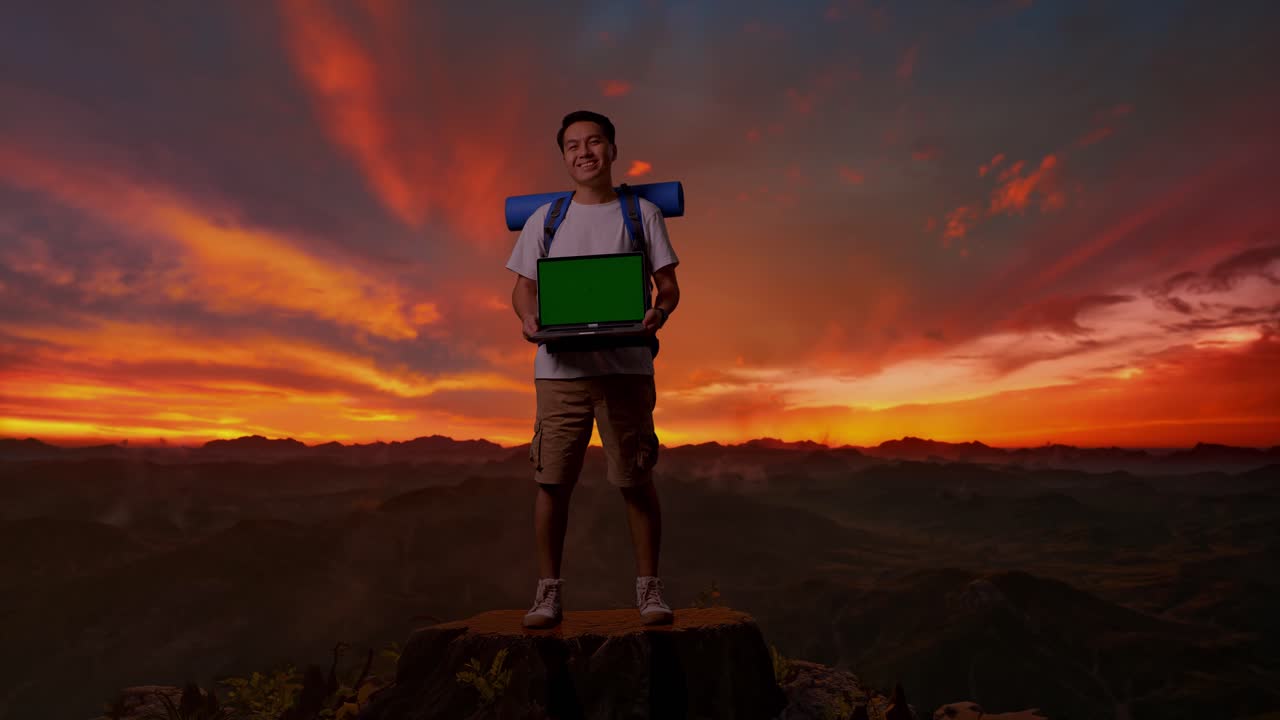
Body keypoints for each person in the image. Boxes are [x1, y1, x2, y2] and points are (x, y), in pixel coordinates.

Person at [505, 110, 681, 629]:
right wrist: (528, 315)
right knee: (552, 482)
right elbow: (522, 286)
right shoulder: (547, 218)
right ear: (564, 157)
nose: (585, 152)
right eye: (573, 146)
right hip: (559, 371)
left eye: (595, 142)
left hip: (626, 366)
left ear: (612, 150)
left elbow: (667, 284)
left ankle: (649, 590)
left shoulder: (641, 213)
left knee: (635, 479)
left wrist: (660, 311)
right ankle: (548, 593)